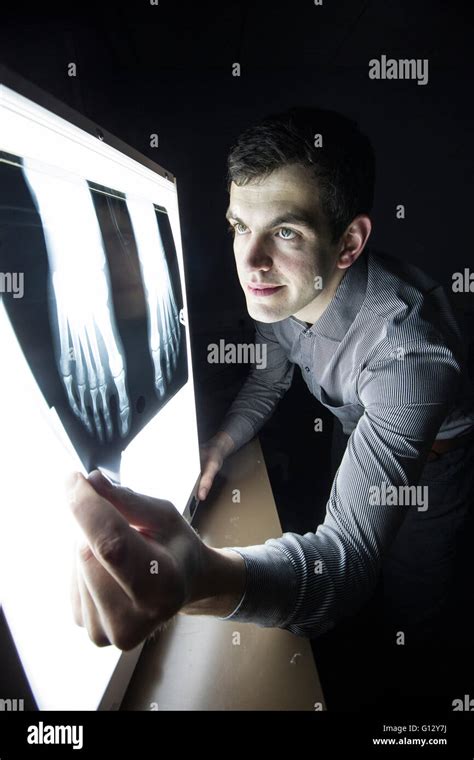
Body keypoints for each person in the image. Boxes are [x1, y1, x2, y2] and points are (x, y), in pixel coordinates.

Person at [68, 107, 474, 707]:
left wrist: (199, 578)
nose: (250, 262)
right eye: (239, 226)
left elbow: (346, 561)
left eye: (285, 231)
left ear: (349, 243)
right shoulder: (285, 295)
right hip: (353, 425)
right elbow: (267, 382)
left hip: (435, 467)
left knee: (412, 601)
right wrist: (220, 444)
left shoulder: (411, 354)